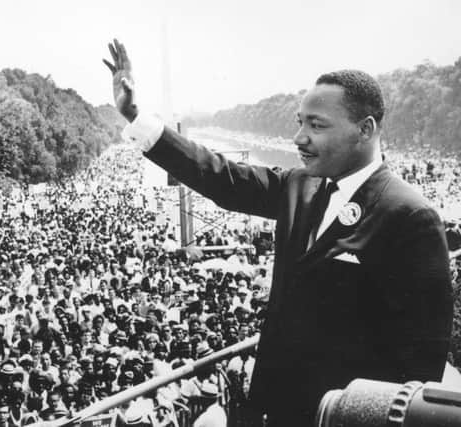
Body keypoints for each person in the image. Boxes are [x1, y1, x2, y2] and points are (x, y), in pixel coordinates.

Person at [104, 39, 453, 427]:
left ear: (364, 129)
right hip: (273, 408)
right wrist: (135, 116)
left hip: (340, 416)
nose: (299, 138)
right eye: (299, 122)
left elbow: (420, 364)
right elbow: (219, 176)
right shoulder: (299, 185)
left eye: (316, 125)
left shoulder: (410, 216)